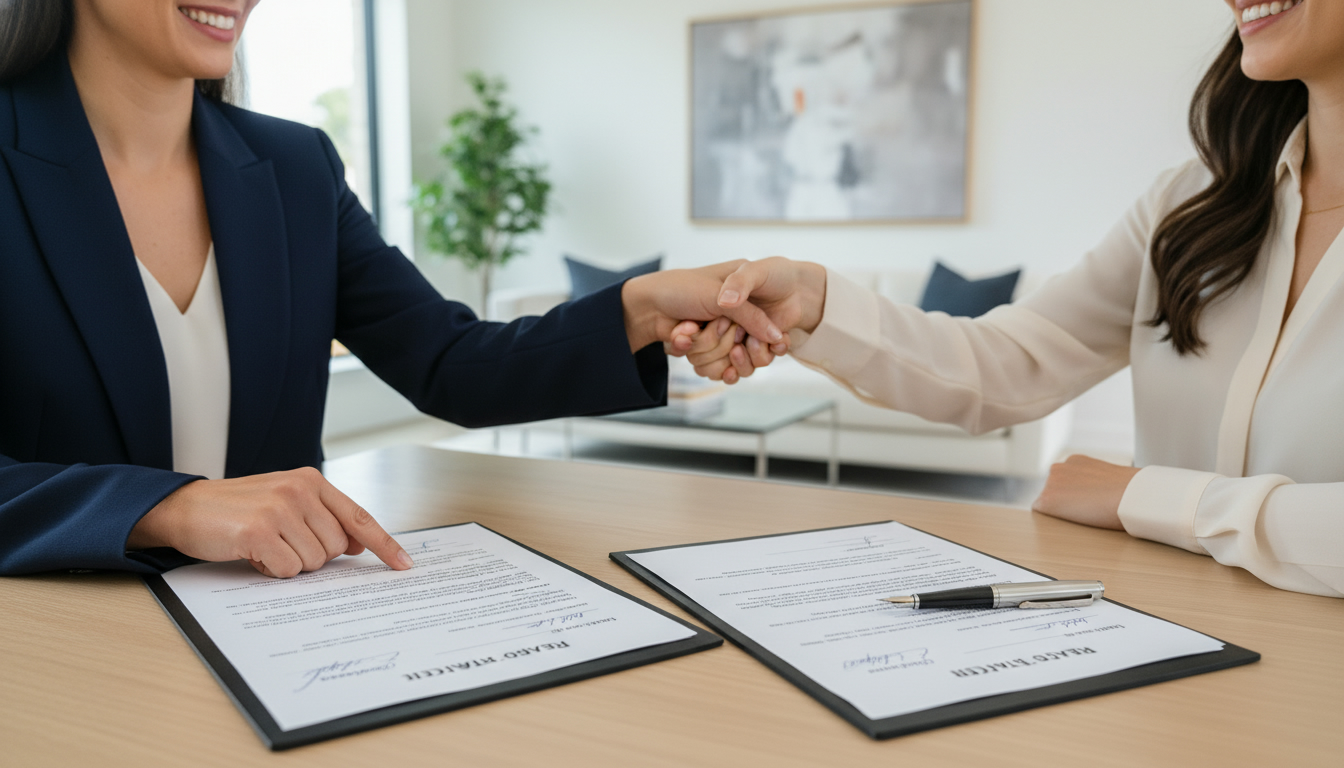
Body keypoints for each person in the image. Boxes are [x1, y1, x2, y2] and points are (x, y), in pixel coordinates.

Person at [0, 0, 785, 578]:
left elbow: (448, 361)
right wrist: (165, 507)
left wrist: (640, 307)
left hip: (275, 631)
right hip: (64, 652)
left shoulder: (297, 168)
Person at [681, 0, 1344, 598]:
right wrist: (814, 304)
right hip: (1173, 649)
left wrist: (1146, 496)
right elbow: (1006, 362)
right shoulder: (1188, 204)